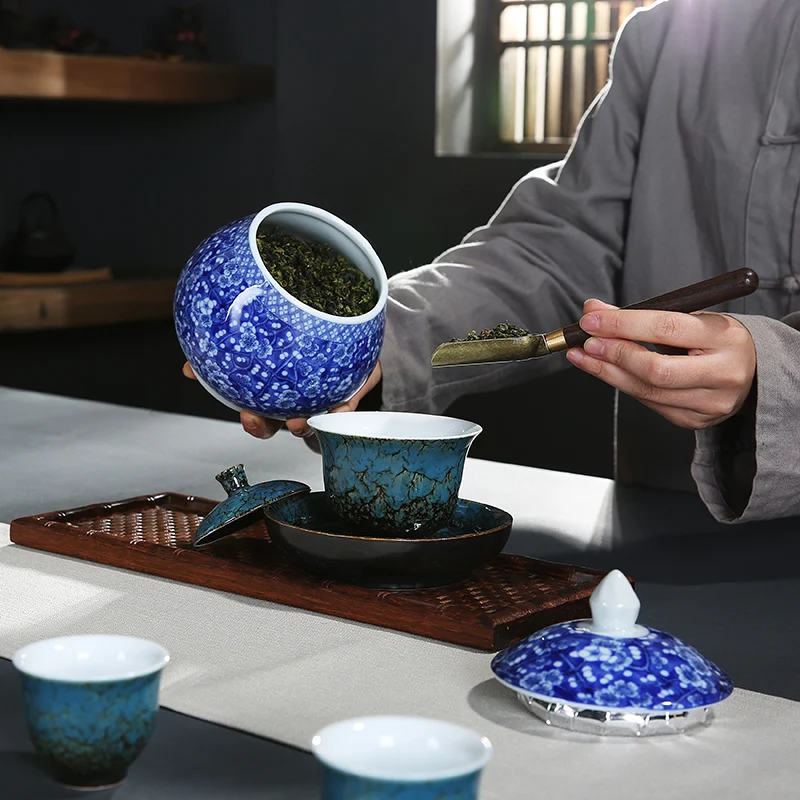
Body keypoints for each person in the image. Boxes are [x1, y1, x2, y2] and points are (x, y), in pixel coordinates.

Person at [184, 0, 800, 524]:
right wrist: (379, 339)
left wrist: (774, 377)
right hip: (663, 525)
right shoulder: (675, 31)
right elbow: (559, 248)